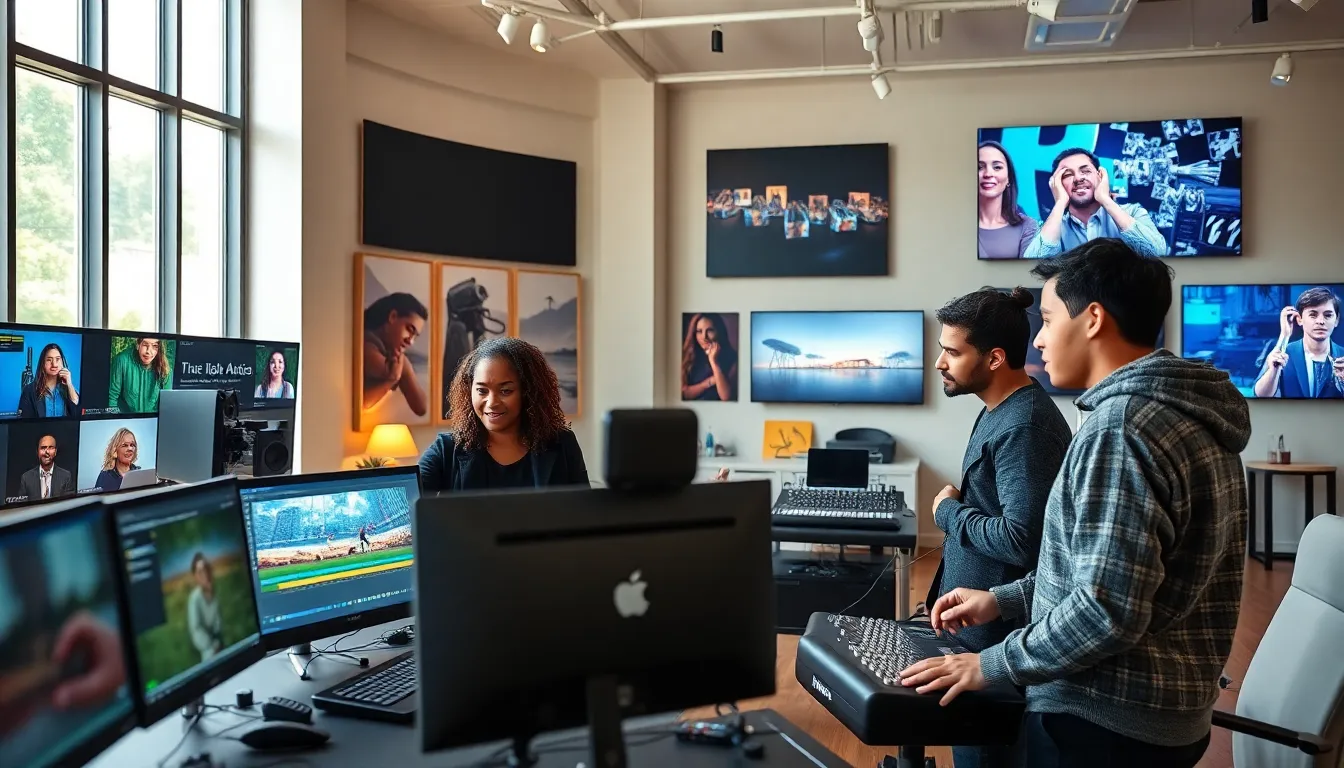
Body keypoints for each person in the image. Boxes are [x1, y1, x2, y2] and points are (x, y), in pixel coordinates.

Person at [900, 239, 1251, 767]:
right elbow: (1113, 577)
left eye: (1045, 318)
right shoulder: (1178, 413)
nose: (1038, 339)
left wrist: (991, 664)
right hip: (1151, 715)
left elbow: (1107, 611)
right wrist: (1005, 599)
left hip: (1105, 720)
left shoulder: (1124, 428)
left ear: (1091, 319)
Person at [929, 287, 1073, 768]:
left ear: (994, 358)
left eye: (952, 351)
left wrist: (948, 512)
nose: (939, 363)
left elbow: (1020, 539)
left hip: (999, 643)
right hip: (974, 630)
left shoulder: (1025, 426)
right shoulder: (998, 411)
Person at [419, 336, 587, 492]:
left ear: (527, 392)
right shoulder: (446, 450)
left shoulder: (563, 444)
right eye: (482, 391)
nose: (492, 403)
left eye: (506, 391)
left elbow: (586, 515)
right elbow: (406, 499)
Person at [1022, 148, 1169, 260]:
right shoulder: (1049, 228)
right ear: (1056, 184)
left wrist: (1105, 199)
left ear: (1100, 177)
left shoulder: (1133, 213)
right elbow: (1031, 266)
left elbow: (1158, 252)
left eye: (1085, 171)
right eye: (1067, 174)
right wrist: (1060, 202)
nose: (1078, 178)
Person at [1252, 286, 1343, 399]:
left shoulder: (1342, 355)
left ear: (1337, 320)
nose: (1320, 321)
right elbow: (1261, 395)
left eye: (1328, 315)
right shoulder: (1284, 351)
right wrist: (1274, 370)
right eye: (1313, 315)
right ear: (1299, 319)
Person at [363, 293, 429, 417]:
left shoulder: (396, 357)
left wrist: (401, 365)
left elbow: (421, 407)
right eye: (409, 329)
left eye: (415, 336)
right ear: (392, 317)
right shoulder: (365, 344)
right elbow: (364, 403)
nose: (411, 341)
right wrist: (395, 375)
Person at [976, 141, 1040, 260]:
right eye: (979, 167)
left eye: (997, 167)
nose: (988, 174)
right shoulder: (956, 224)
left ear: (1008, 178)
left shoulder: (1027, 226)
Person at [681, 313, 738, 402]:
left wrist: (713, 362)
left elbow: (726, 397)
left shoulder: (732, 357)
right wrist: (710, 381)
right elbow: (684, 394)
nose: (704, 337)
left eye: (710, 330)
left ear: (719, 331)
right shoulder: (688, 356)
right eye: (699, 331)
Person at [107, 337, 170, 414]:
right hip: (126, 420)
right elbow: (112, 398)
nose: (148, 351)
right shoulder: (122, 360)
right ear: (138, 344)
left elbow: (167, 403)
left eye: (154, 346)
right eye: (145, 345)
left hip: (153, 421)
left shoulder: (164, 367)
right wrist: (117, 420)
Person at [17, 343, 80, 418]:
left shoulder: (68, 389)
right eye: (49, 360)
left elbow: (78, 413)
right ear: (43, 363)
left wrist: (69, 384)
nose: (54, 364)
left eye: (57, 359)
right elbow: (24, 423)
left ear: (62, 361)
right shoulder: (29, 391)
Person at [187, 553, 224, 662]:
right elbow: (196, 630)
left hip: (221, 648)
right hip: (209, 654)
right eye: (200, 572)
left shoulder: (215, 594)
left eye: (206, 569)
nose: (205, 574)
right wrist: (212, 646)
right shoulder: (195, 599)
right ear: (195, 576)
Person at [18, 435, 74, 501]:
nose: (47, 452)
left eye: (51, 448)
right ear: (37, 452)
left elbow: (68, 504)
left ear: (55, 452)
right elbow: (22, 506)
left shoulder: (66, 476)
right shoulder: (26, 478)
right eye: (43, 448)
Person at [94, 427, 141, 492]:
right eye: (124, 445)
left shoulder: (139, 473)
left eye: (132, 445)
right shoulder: (105, 476)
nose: (130, 449)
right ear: (115, 450)